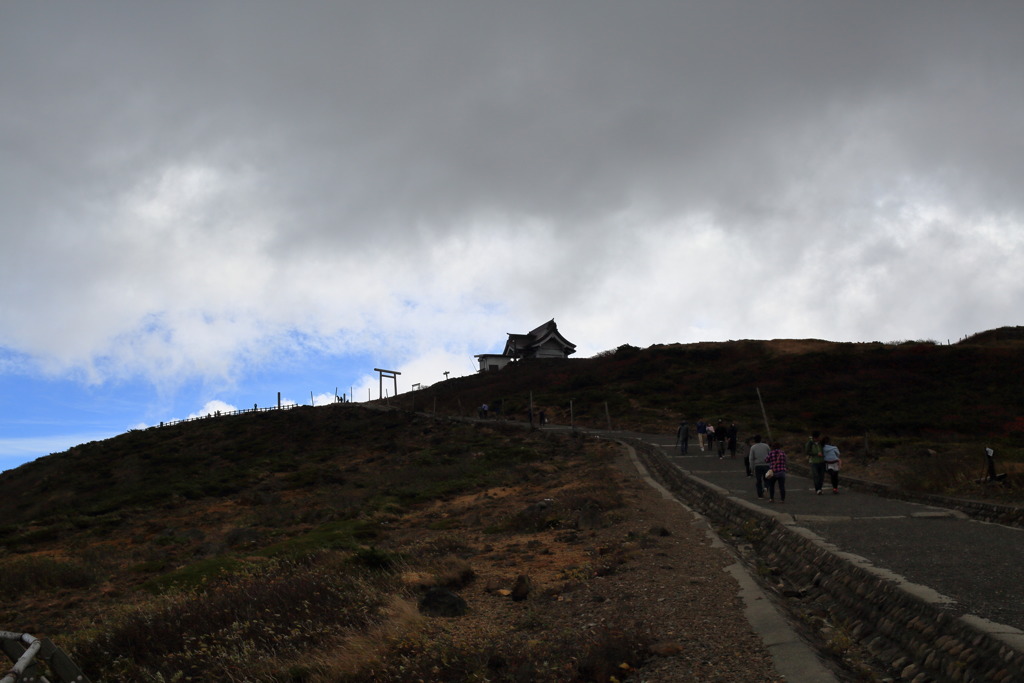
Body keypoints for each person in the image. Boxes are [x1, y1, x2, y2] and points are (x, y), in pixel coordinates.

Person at [805, 430, 825, 494]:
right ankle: (817, 489)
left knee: (821, 476)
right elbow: (807, 452)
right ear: (815, 437)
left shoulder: (821, 443)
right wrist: (816, 453)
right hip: (814, 461)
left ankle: (820, 488)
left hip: (822, 461)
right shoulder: (810, 443)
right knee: (816, 476)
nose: (819, 438)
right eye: (818, 437)